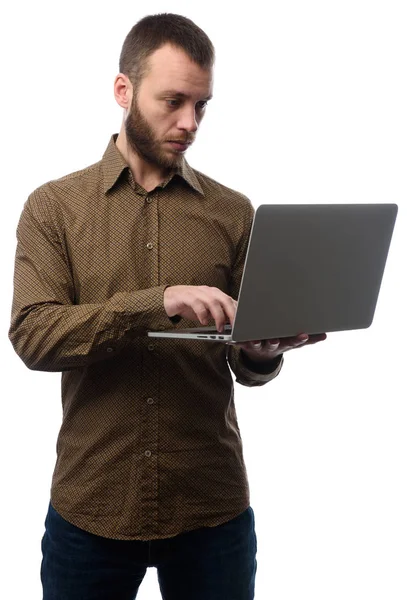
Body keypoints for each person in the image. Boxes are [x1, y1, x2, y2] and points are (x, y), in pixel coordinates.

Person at [9, 13, 326, 600]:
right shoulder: (54, 208)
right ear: (123, 91)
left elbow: (246, 367)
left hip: (212, 508)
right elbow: (33, 335)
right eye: (173, 101)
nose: (190, 123)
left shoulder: (233, 212)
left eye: (202, 106)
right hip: (94, 505)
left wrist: (259, 354)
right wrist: (157, 303)